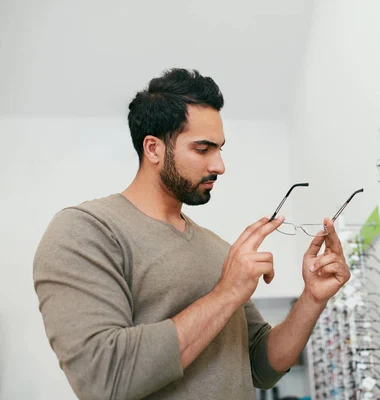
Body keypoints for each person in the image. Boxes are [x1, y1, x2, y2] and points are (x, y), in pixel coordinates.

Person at [33, 68, 351, 400]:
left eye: (220, 149)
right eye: (203, 149)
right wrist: (227, 292)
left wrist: (312, 299)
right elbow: (104, 379)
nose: (220, 166)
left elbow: (261, 365)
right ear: (153, 149)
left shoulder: (217, 249)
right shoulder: (85, 232)